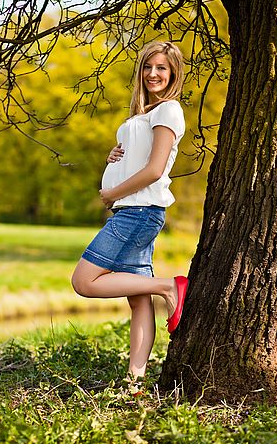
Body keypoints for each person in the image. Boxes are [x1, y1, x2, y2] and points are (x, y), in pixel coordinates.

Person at [71, 40, 189, 392]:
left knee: (84, 281)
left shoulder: (168, 110)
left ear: (173, 74)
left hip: (137, 211)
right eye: (148, 67)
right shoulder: (145, 113)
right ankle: (135, 384)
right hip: (133, 210)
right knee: (139, 303)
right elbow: (140, 158)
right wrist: (115, 159)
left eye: (162, 68)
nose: (153, 74)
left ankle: (168, 286)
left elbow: (154, 170)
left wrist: (111, 193)